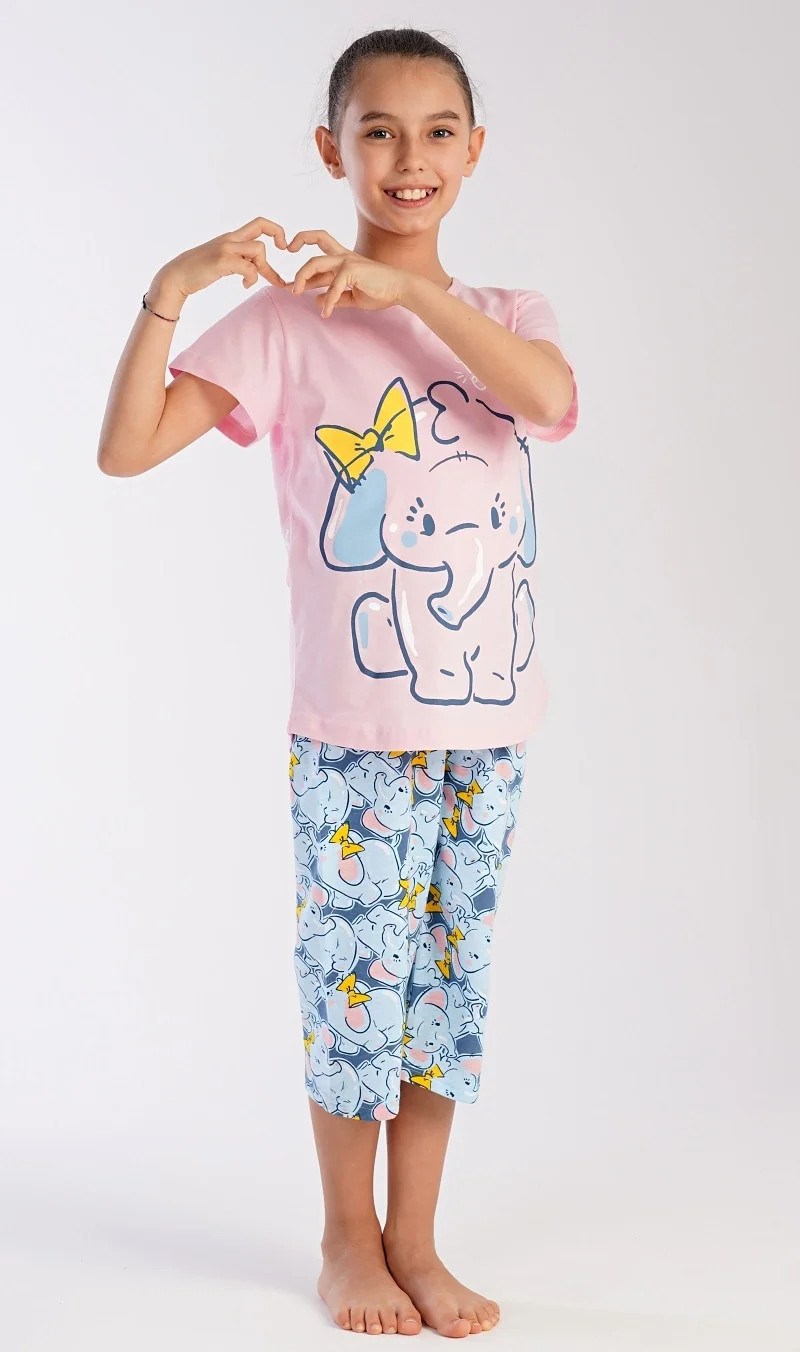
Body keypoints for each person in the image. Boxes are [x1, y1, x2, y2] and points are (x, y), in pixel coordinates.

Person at [98, 25, 579, 1340]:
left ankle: (417, 1238)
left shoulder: (509, 318)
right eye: (378, 131)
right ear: (332, 151)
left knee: (446, 998)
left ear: (474, 152)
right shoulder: (283, 325)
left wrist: (410, 296)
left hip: (489, 729)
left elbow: (547, 401)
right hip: (355, 733)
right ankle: (346, 1240)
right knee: (357, 991)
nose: (409, 156)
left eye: (437, 132)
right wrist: (171, 288)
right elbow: (126, 448)